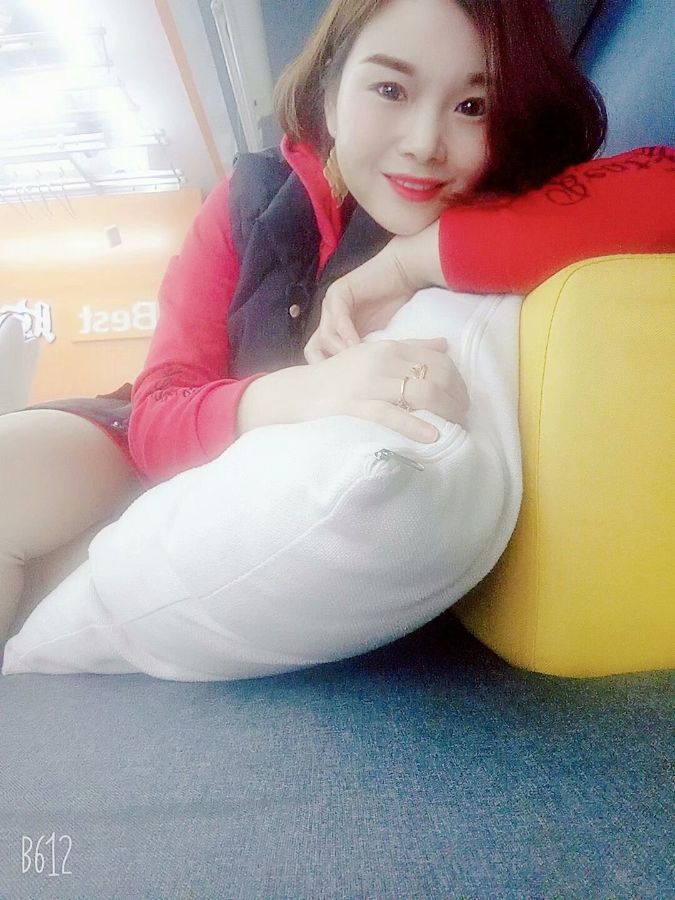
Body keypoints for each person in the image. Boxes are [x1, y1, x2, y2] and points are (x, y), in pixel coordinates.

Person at [0, 0, 672, 644]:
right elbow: (155, 420)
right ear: (330, 96)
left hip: (239, 507)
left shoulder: (512, 209)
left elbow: (662, 186)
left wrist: (409, 261)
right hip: (142, 440)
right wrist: (311, 391)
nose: (424, 143)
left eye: (473, 106)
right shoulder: (250, 199)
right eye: (390, 90)